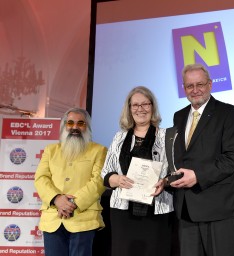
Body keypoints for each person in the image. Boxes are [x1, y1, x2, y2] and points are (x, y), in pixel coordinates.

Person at [169, 63, 234, 256]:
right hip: (186, 210)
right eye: (189, 86)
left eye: (200, 84)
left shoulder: (229, 113)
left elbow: (233, 157)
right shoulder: (178, 116)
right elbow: (177, 158)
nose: (195, 90)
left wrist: (198, 176)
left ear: (210, 85)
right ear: (184, 88)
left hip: (219, 209)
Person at [101, 86, 174, 256]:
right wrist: (117, 179)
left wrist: (165, 182)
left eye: (145, 104)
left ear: (152, 107)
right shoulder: (119, 137)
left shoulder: (167, 137)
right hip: (123, 211)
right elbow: (105, 172)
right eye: (135, 105)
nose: (140, 109)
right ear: (129, 109)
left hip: (157, 210)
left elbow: (175, 171)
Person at [34, 108, 107, 256]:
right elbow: (41, 178)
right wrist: (57, 199)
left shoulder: (99, 150)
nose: (75, 127)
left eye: (80, 123)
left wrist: (73, 204)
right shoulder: (51, 150)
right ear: (64, 126)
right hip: (53, 218)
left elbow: (99, 181)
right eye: (70, 123)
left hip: (83, 218)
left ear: (87, 127)